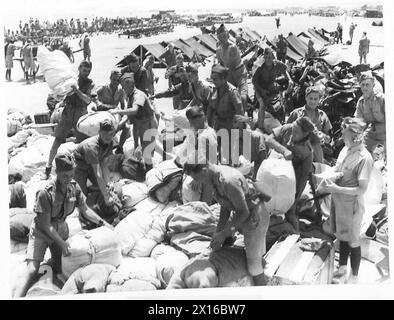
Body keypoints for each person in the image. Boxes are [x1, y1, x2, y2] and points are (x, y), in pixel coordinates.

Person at [13, 153, 113, 298]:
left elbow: (84, 209)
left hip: (61, 230)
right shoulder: (45, 192)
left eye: (71, 175)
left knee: (62, 267)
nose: (68, 179)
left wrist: (103, 223)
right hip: (42, 232)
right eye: (65, 176)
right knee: (32, 269)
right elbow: (46, 225)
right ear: (57, 173)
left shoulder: (74, 187)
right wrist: (61, 243)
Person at [183, 161, 271, 286]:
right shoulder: (214, 178)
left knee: (253, 265)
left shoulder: (228, 181)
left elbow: (244, 212)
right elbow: (225, 207)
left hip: (254, 217)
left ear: (204, 170)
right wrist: (219, 232)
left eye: (196, 178)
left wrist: (225, 233)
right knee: (247, 253)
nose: (197, 181)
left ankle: (263, 293)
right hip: (244, 214)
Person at [319, 117, 373, 284]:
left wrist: (336, 189)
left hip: (352, 206)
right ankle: (342, 268)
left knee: (353, 240)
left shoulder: (365, 158)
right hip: (339, 202)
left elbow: (361, 189)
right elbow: (338, 168)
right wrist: (330, 175)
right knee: (342, 236)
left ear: (355, 136)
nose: (341, 137)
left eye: (344, 134)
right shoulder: (345, 150)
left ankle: (354, 277)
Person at [43, 61, 95, 179]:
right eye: (84, 70)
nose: (86, 73)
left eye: (88, 71)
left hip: (81, 115)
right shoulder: (70, 80)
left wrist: (76, 90)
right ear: (79, 68)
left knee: (85, 143)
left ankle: (89, 169)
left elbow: (88, 100)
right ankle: (48, 167)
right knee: (57, 141)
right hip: (67, 112)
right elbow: (60, 93)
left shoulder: (90, 84)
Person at [265, 117, 315, 231]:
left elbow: (302, 179)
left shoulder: (307, 152)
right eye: (293, 128)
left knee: (290, 211)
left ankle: (295, 232)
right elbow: (268, 140)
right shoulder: (287, 128)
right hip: (272, 169)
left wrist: (294, 200)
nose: (293, 133)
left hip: (290, 178)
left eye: (297, 132)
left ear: (304, 134)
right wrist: (284, 150)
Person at [110, 73, 157, 171]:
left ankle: (149, 171)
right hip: (139, 123)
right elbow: (127, 115)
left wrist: (117, 111)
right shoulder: (130, 95)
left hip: (148, 124)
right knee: (138, 147)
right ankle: (141, 166)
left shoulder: (138, 95)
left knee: (147, 150)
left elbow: (134, 110)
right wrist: (117, 128)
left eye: (123, 86)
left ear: (130, 84)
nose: (122, 89)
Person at [207, 64, 244, 165]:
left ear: (223, 79)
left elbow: (240, 111)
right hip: (218, 123)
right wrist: (208, 126)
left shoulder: (233, 92)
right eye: (212, 79)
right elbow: (210, 108)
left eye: (216, 79)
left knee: (228, 155)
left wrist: (240, 131)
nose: (214, 81)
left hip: (230, 125)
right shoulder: (215, 90)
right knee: (213, 150)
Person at [73, 120, 116, 204]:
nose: (108, 136)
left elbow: (104, 164)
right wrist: (107, 197)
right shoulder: (91, 146)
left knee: (104, 187)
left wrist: (108, 182)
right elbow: (98, 173)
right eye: (105, 133)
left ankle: (91, 189)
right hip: (79, 166)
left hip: (93, 165)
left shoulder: (110, 143)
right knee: (81, 195)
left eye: (111, 134)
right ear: (99, 132)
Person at [287, 86, 332, 163]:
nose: (313, 101)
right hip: (298, 150)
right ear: (306, 98)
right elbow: (286, 132)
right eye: (310, 98)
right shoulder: (296, 113)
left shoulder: (322, 115)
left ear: (319, 99)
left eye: (315, 99)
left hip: (317, 152)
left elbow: (329, 139)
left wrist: (322, 136)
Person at [252, 47, 293, 126]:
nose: (268, 59)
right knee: (262, 105)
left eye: (270, 57)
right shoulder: (260, 67)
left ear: (273, 57)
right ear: (264, 57)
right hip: (260, 89)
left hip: (272, 87)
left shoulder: (277, 64)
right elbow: (254, 81)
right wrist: (261, 90)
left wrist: (289, 79)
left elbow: (284, 71)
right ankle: (260, 125)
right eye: (266, 57)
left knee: (282, 102)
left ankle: (282, 122)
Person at [216, 24, 249, 110]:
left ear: (227, 36)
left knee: (243, 97)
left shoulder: (232, 47)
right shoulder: (218, 50)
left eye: (223, 36)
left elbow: (232, 65)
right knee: (224, 97)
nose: (222, 39)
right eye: (220, 37)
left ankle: (243, 117)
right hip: (229, 73)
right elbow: (221, 64)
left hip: (239, 73)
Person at [354, 71, 385, 154]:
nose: (365, 87)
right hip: (372, 131)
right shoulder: (361, 102)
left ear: (373, 85)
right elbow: (358, 122)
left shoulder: (381, 99)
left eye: (367, 84)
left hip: (385, 130)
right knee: (359, 149)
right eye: (362, 85)